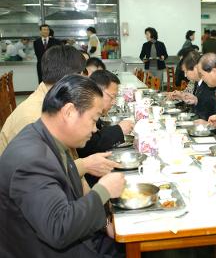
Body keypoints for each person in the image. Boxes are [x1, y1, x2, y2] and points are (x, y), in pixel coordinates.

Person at [0, 74, 126, 257]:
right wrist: (103, 191)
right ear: (69, 112)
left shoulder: (46, 136)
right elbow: (59, 228)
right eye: (93, 119)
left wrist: (105, 222)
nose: (94, 129)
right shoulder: (32, 160)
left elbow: (74, 197)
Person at [0, 45, 119, 182]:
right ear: (72, 78)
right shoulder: (36, 116)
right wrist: (86, 166)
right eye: (83, 74)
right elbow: (43, 177)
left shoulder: (53, 100)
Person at [77, 70, 134, 186]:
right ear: (97, 92)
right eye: (112, 97)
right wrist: (119, 130)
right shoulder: (81, 111)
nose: (114, 102)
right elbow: (90, 144)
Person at [178, 50, 216, 120]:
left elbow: (210, 109)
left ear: (196, 68)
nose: (185, 75)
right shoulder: (197, 82)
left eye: (186, 71)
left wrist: (196, 101)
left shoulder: (208, 84)